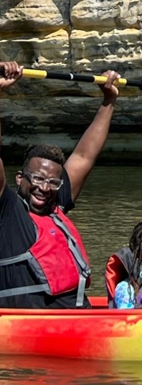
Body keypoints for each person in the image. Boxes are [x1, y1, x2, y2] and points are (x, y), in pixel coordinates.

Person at [0, 60, 120, 308]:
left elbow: (85, 157)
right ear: (20, 179)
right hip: (32, 326)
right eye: (37, 179)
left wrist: (109, 101)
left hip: (77, 320)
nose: (44, 188)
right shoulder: (9, 211)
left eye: (53, 182)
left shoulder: (55, 202)